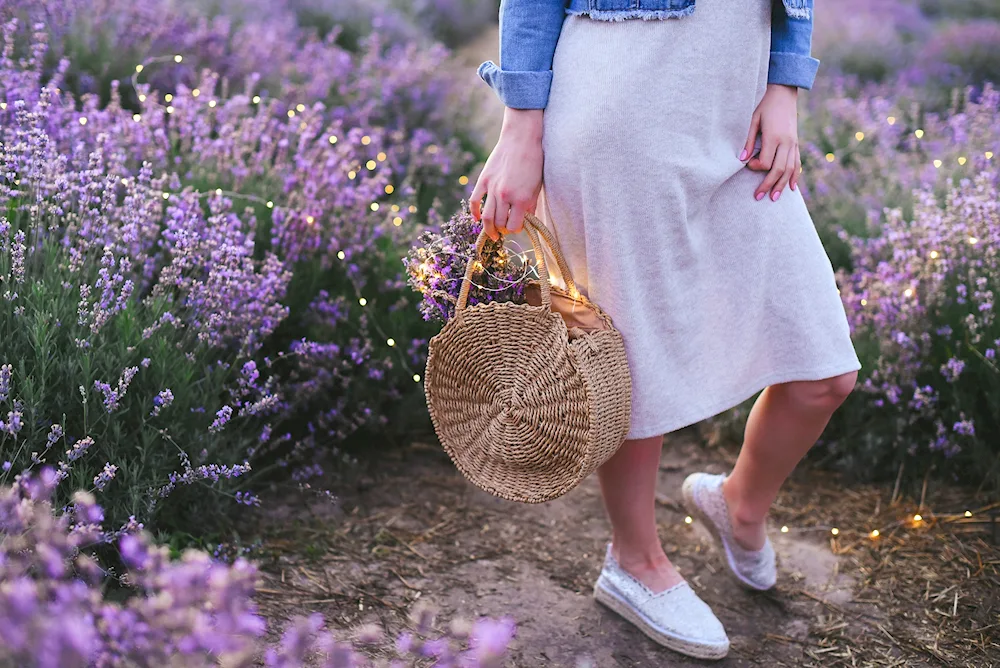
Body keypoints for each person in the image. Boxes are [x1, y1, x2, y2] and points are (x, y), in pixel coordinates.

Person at [469, 0, 861, 660]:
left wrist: (785, 83)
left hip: (737, 116)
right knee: (633, 359)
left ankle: (738, 505)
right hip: (621, 109)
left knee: (825, 373)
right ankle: (634, 560)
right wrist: (520, 128)